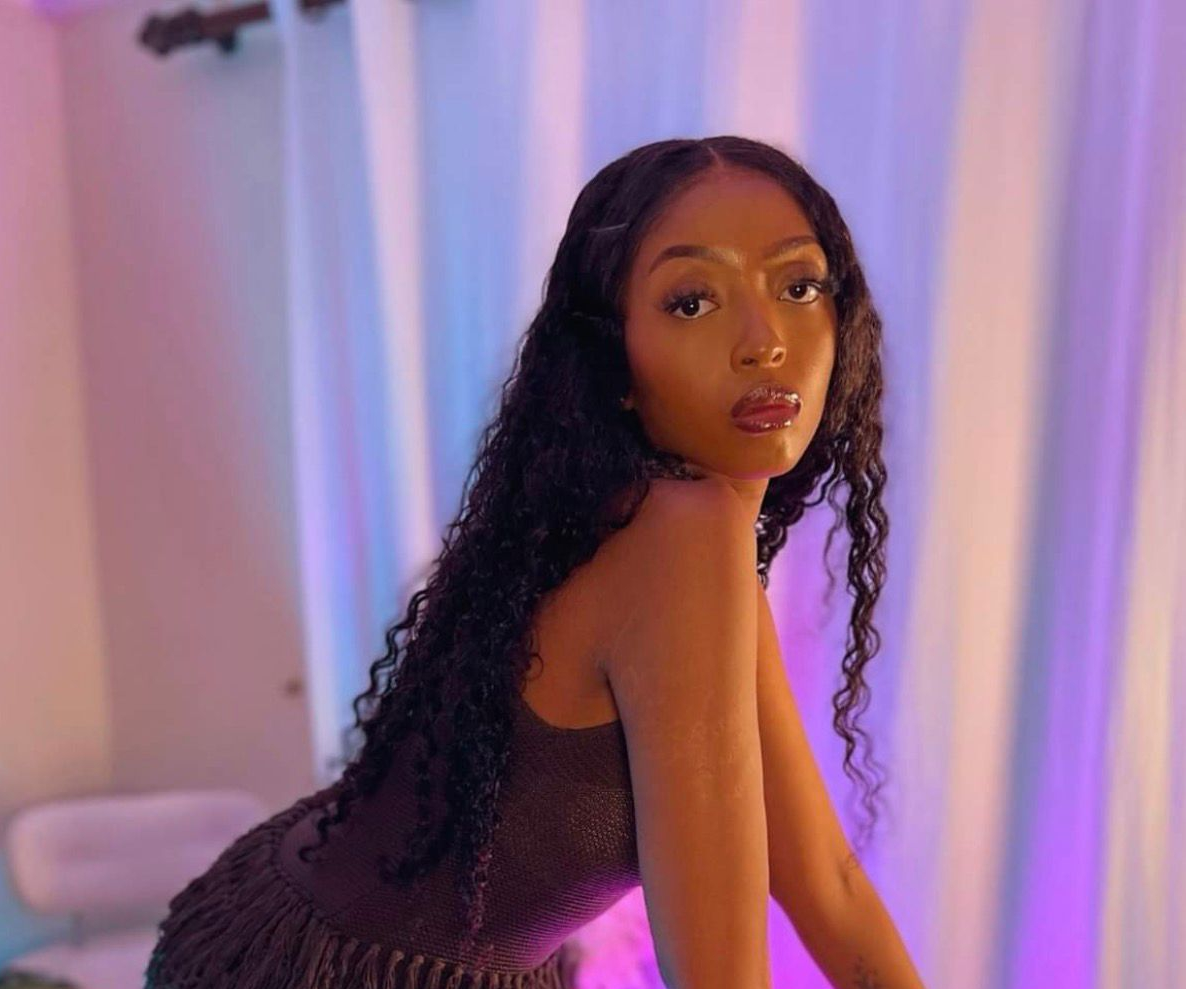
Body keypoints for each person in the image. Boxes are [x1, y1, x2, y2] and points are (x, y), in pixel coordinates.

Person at [143, 136, 923, 989]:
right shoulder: (682, 537)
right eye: (693, 301)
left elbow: (825, 881)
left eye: (799, 286)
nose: (763, 340)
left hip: (285, 915)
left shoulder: (661, 532)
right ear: (613, 358)